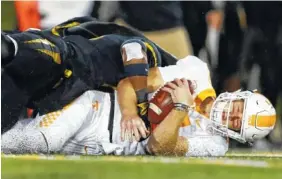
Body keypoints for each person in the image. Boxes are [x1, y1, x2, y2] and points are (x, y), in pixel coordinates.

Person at [2, 56, 276, 156]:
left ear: (238, 135)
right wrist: (131, 114)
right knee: (41, 140)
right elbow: (129, 84)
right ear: (240, 94)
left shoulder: (215, 145)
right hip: (97, 111)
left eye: (238, 122)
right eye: (239, 108)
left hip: (100, 148)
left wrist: (180, 108)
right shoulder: (196, 72)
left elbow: (158, 146)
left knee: (19, 133)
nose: (232, 115)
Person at [1, 17, 178, 133]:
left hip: (41, 94)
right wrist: (140, 104)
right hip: (63, 63)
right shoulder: (154, 61)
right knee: (19, 51)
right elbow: (133, 50)